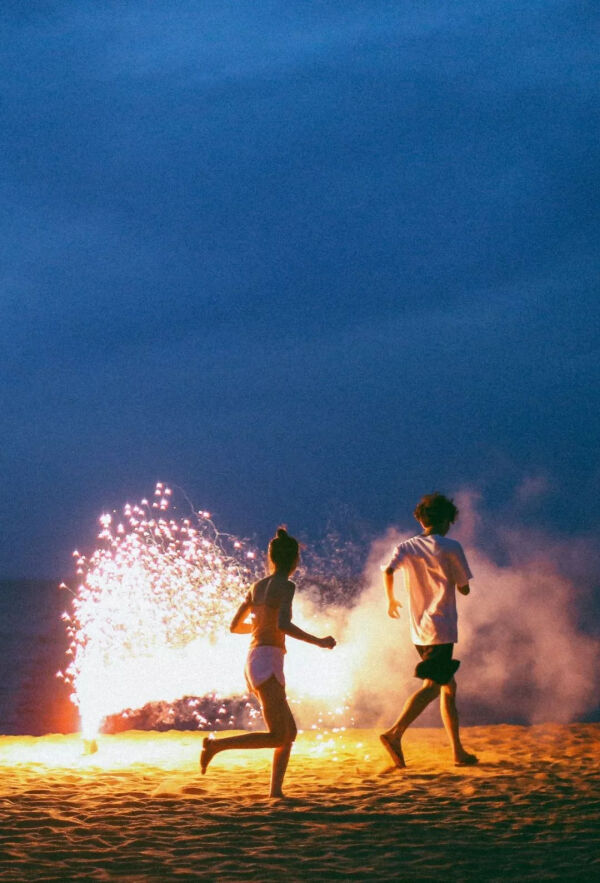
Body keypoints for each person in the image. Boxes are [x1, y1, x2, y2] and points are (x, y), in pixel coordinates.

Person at [200, 526, 336, 798]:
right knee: (277, 735)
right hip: (267, 661)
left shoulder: (256, 586)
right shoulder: (287, 586)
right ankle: (215, 746)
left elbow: (233, 626)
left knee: (289, 733)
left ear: (272, 558)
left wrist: (261, 625)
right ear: (295, 560)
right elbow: (284, 624)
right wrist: (319, 641)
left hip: (256, 659)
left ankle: (275, 791)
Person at [380, 492, 478, 769]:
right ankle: (394, 733)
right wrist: (459, 584)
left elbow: (388, 571)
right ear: (446, 519)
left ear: (421, 519)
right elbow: (465, 587)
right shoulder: (450, 546)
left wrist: (390, 599)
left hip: (418, 630)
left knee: (449, 687)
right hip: (442, 627)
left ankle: (458, 751)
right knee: (434, 687)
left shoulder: (406, 546)